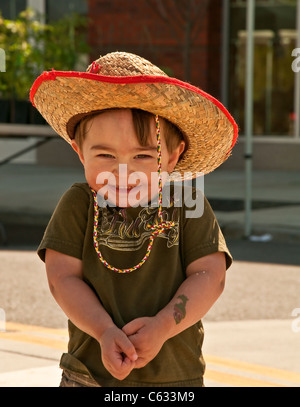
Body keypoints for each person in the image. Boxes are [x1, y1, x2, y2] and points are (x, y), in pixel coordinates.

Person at [30, 51, 238, 387]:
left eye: (142, 156)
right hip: (89, 376)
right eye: (105, 155)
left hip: (174, 380)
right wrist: (103, 331)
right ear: (80, 152)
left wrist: (163, 326)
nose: (122, 171)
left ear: (173, 155)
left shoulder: (187, 203)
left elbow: (210, 276)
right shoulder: (78, 204)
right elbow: (62, 278)